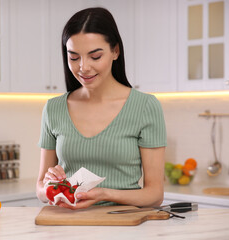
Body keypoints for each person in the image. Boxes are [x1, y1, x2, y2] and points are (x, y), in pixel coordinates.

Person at [36, 7, 166, 209]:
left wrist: (104, 194)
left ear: (115, 51)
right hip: (68, 225)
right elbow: (40, 189)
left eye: (95, 56)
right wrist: (50, 184)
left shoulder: (145, 106)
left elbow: (155, 194)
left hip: (122, 225)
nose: (83, 67)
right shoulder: (54, 108)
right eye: (74, 57)